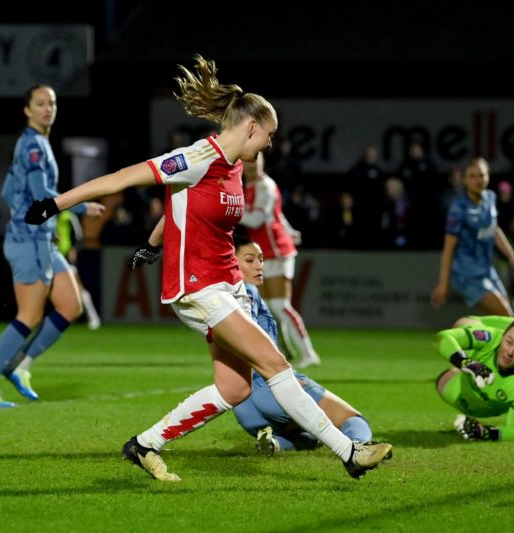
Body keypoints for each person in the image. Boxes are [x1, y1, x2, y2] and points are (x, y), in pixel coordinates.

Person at [25, 55, 392, 481]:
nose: (270, 145)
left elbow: (182, 203)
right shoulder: (198, 156)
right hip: (198, 287)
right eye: (269, 135)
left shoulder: (235, 167)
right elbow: (123, 177)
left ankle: (145, 445)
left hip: (226, 284)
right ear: (251, 126)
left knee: (236, 388)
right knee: (276, 365)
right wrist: (55, 205)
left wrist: (153, 243)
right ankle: (349, 452)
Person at [0, 84, 105, 408]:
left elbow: (10, 192)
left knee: (71, 305)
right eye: (40, 103)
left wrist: (43, 224)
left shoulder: (39, 143)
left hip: (40, 237)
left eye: (52, 103)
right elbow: (41, 192)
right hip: (27, 241)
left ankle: (20, 367)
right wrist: (83, 206)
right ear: (27, 110)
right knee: (29, 315)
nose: (48, 108)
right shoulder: (31, 145)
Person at [230, 238, 374, 454]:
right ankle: (358, 449)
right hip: (274, 386)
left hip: (242, 402)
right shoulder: (246, 292)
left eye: (261, 259)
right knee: (353, 420)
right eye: (249, 260)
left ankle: (277, 442)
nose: (259, 266)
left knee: (306, 436)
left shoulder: (219, 299)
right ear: (230, 262)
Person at [239, 152, 321, 368]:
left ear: (262, 162)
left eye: (255, 160)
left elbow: (257, 219)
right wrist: (291, 230)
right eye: (247, 160)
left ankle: (308, 353)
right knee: (267, 306)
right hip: (265, 250)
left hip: (276, 249)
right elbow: (278, 214)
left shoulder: (263, 186)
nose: (251, 165)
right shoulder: (252, 186)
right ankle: (285, 350)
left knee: (279, 305)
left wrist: (231, 209)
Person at [433, 309, 514, 442]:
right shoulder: (492, 337)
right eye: (509, 342)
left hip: (487, 409)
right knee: (463, 323)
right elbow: (442, 337)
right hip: (460, 389)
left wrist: (485, 432)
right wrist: (467, 363)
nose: (510, 352)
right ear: (503, 335)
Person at [430, 157, 514, 317]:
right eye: (472, 176)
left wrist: (512, 257)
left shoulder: (490, 198)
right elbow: (448, 248)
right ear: (465, 180)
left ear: (488, 177)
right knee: (507, 316)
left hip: (487, 270)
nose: (477, 180)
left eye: (481, 175)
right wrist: (443, 284)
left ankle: (477, 338)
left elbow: (494, 230)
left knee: (503, 319)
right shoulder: (459, 209)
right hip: (466, 275)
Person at [55, 210, 102, 330]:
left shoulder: (68, 216)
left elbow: (79, 235)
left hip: (65, 255)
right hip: (52, 255)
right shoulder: (49, 216)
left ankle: (93, 317)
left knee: (77, 285)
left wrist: (74, 249)